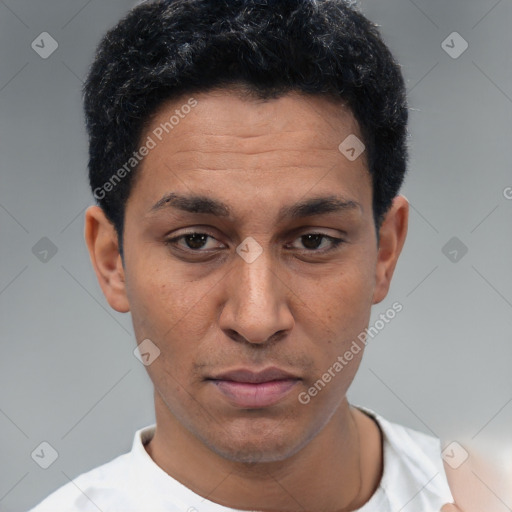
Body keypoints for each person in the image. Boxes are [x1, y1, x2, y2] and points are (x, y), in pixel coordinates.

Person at [29, 0, 463, 510]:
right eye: (195, 241)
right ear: (112, 260)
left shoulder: (482, 494)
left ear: (384, 252)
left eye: (313, 241)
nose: (257, 320)